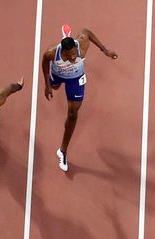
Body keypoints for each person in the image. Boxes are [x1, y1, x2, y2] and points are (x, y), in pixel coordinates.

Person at [41, 24, 118, 172]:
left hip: (75, 78)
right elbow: (44, 63)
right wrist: (47, 85)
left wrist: (105, 50)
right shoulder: (51, 53)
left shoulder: (81, 45)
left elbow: (86, 31)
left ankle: (62, 151)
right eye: (69, 56)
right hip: (57, 74)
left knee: (73, 113)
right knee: (56, 88)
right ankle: (64, 41)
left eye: (74, 54)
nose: (73, 57)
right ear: (62, 51)